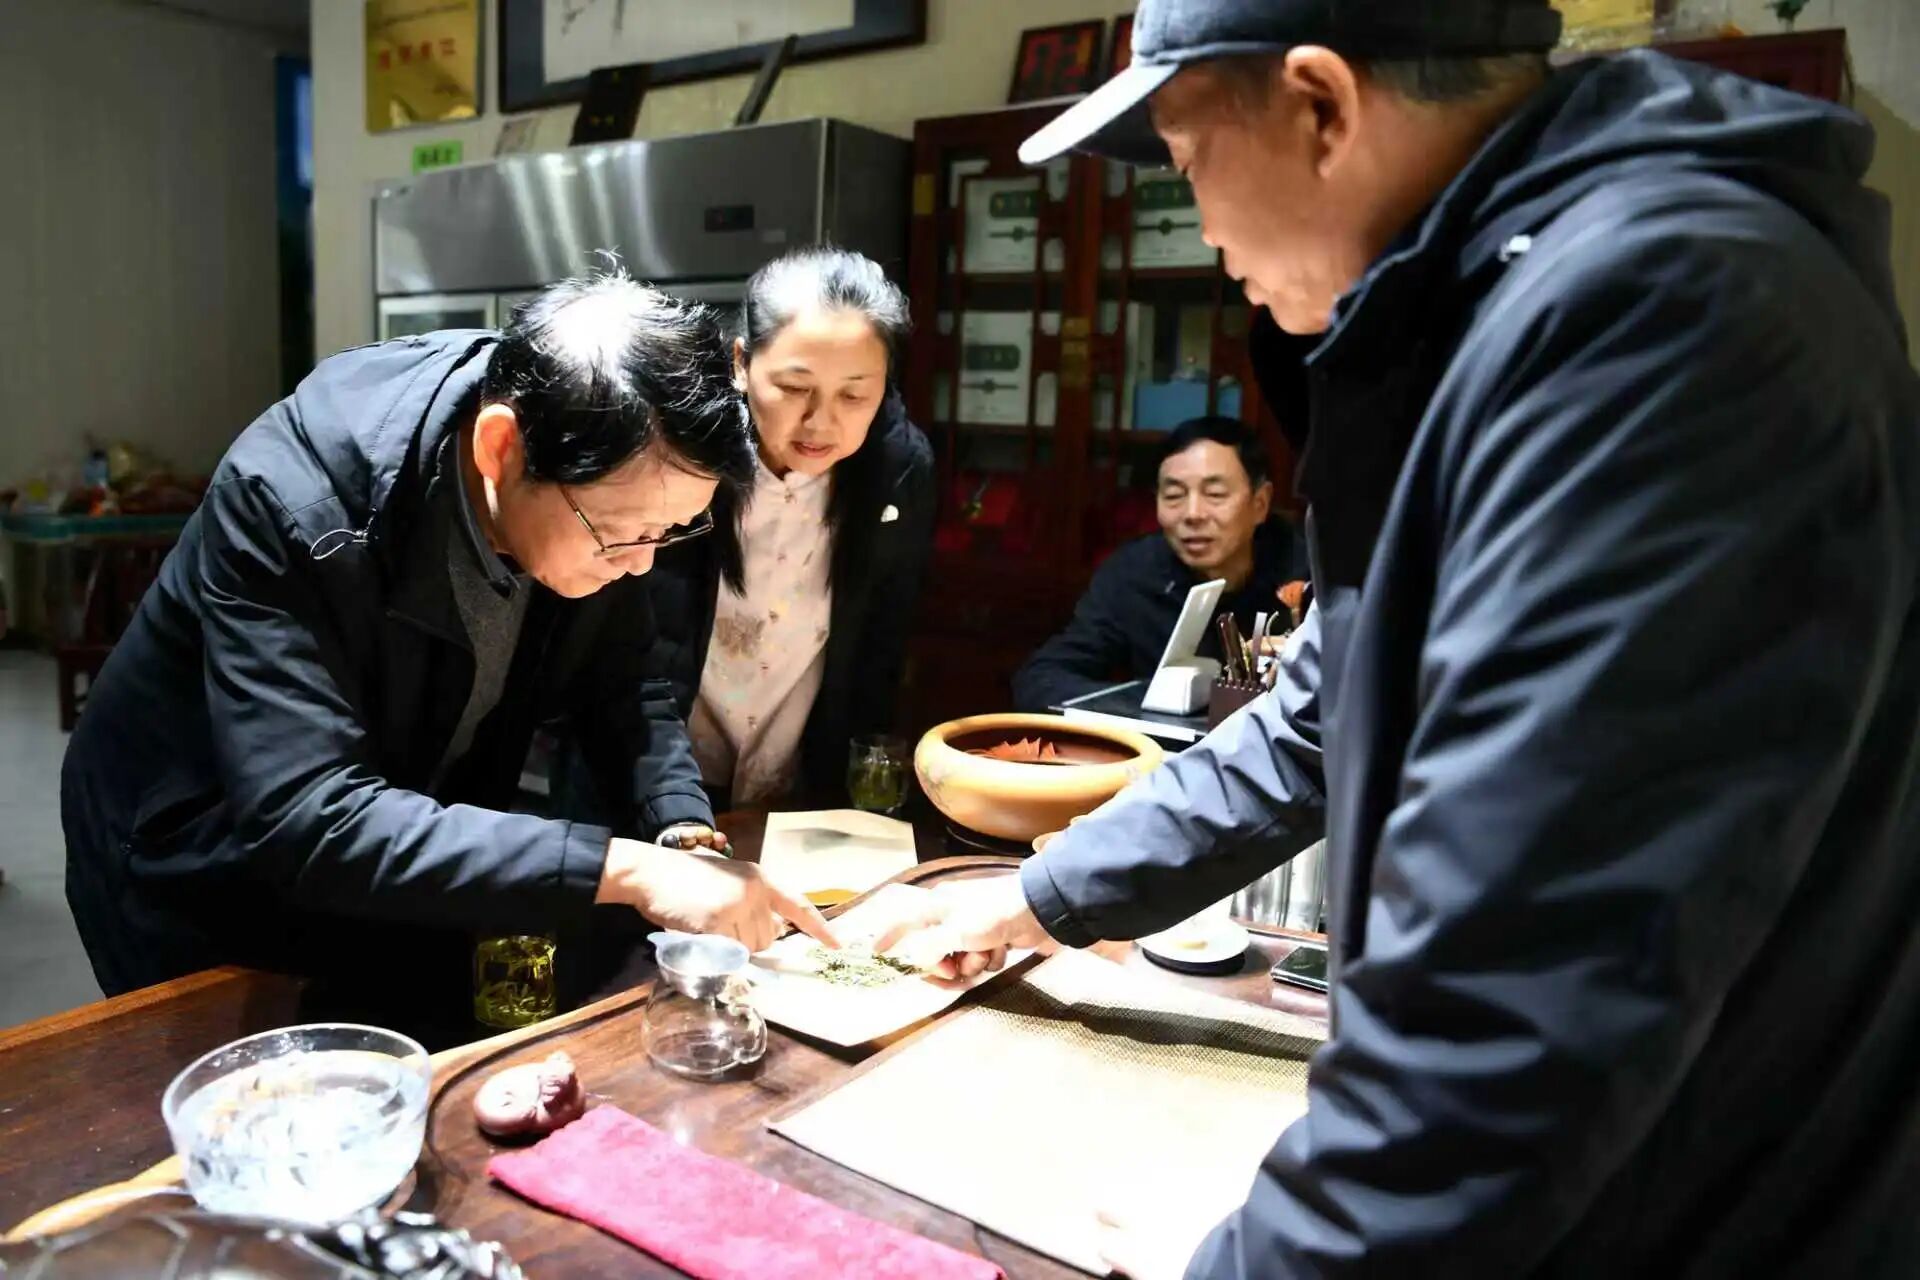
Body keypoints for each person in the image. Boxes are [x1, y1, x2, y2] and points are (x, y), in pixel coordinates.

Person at [866, 0, 1920, 1275]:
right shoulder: (1489, 307)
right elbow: (1316, 718)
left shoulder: (1656, 316)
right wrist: (1043, 897)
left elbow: (1514, 1023)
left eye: (1190, 162)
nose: (1201, 228)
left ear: (1322, 107)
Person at [62, 272, 837, 1035]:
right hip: (195, 854)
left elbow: (626, 686)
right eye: (619, 534)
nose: (639, 565)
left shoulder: (597, 466)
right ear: (500, 447)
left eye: (667, 533)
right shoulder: (294, 502)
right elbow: (309, 818)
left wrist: (683, 836)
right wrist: (628, 868)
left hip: (383, 834)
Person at [648, 249, 935, 806]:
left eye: (854, 394)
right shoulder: (680, 453)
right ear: (741, 363)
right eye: (795, 387)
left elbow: (880, 643)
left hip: (797, 783)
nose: (821, 422)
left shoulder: (899, 471)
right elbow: (631, 651)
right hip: (661, 772)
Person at [1012, 415, 1305, 711]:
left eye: (1215, 494)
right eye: (1174, 495)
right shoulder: (1135, 574)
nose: (1192, 514)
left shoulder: (1307, 570)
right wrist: (1147, 709)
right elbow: (1043, 677)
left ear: (1260, 504)